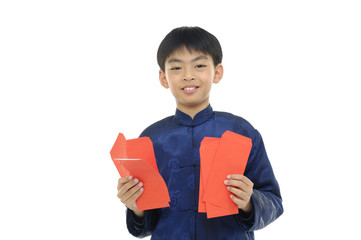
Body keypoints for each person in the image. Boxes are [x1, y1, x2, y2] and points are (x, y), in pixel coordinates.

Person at [117, 26, 283, 239]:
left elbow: (274, 201)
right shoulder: (150, 139)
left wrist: (250, 202)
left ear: (217, 72)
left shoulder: (241, 132)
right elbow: (146, 225)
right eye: (176, 68)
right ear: (163, 78)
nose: (188, 76)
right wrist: (135, 205)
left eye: (199, 65)